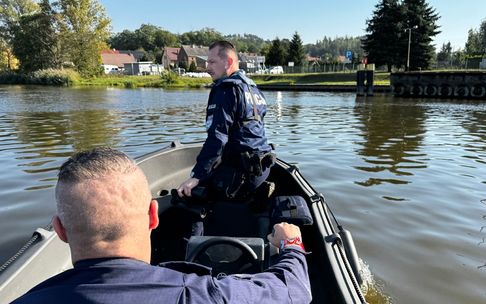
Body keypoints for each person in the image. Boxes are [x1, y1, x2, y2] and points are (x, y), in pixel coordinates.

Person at [12, 147, 311, 304]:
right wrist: (292, 245)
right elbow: (293, 291)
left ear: (60, 231)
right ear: (153, 216)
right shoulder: (203, 296)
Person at [178, 40, 273, 199]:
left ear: (228, 62)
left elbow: (217, 136)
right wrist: (223, 156)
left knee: (189, 197)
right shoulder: (253, 88)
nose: (207, 67)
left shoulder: (226, 89)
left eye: (212, 62)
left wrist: (197, 176)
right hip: (262, 168)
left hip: (241, 173)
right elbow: (249, 131)